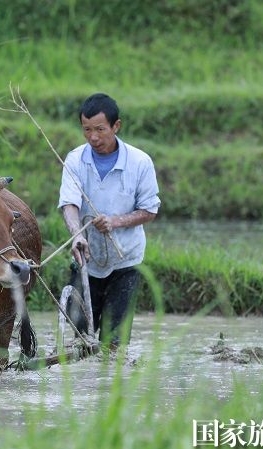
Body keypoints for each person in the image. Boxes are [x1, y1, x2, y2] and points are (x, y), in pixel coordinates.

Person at [58, 93, 160, 348]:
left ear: (116, 126)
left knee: (113, 344)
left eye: (100, 129)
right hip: (85, 258)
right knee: (80, 339)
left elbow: (149, 210)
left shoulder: (140, 162)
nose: (93, 137)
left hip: (125, 261)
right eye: (87, 129)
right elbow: (70, 203)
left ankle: (111, 384)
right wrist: (76, 234)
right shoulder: (75, 159)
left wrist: (116, 221)